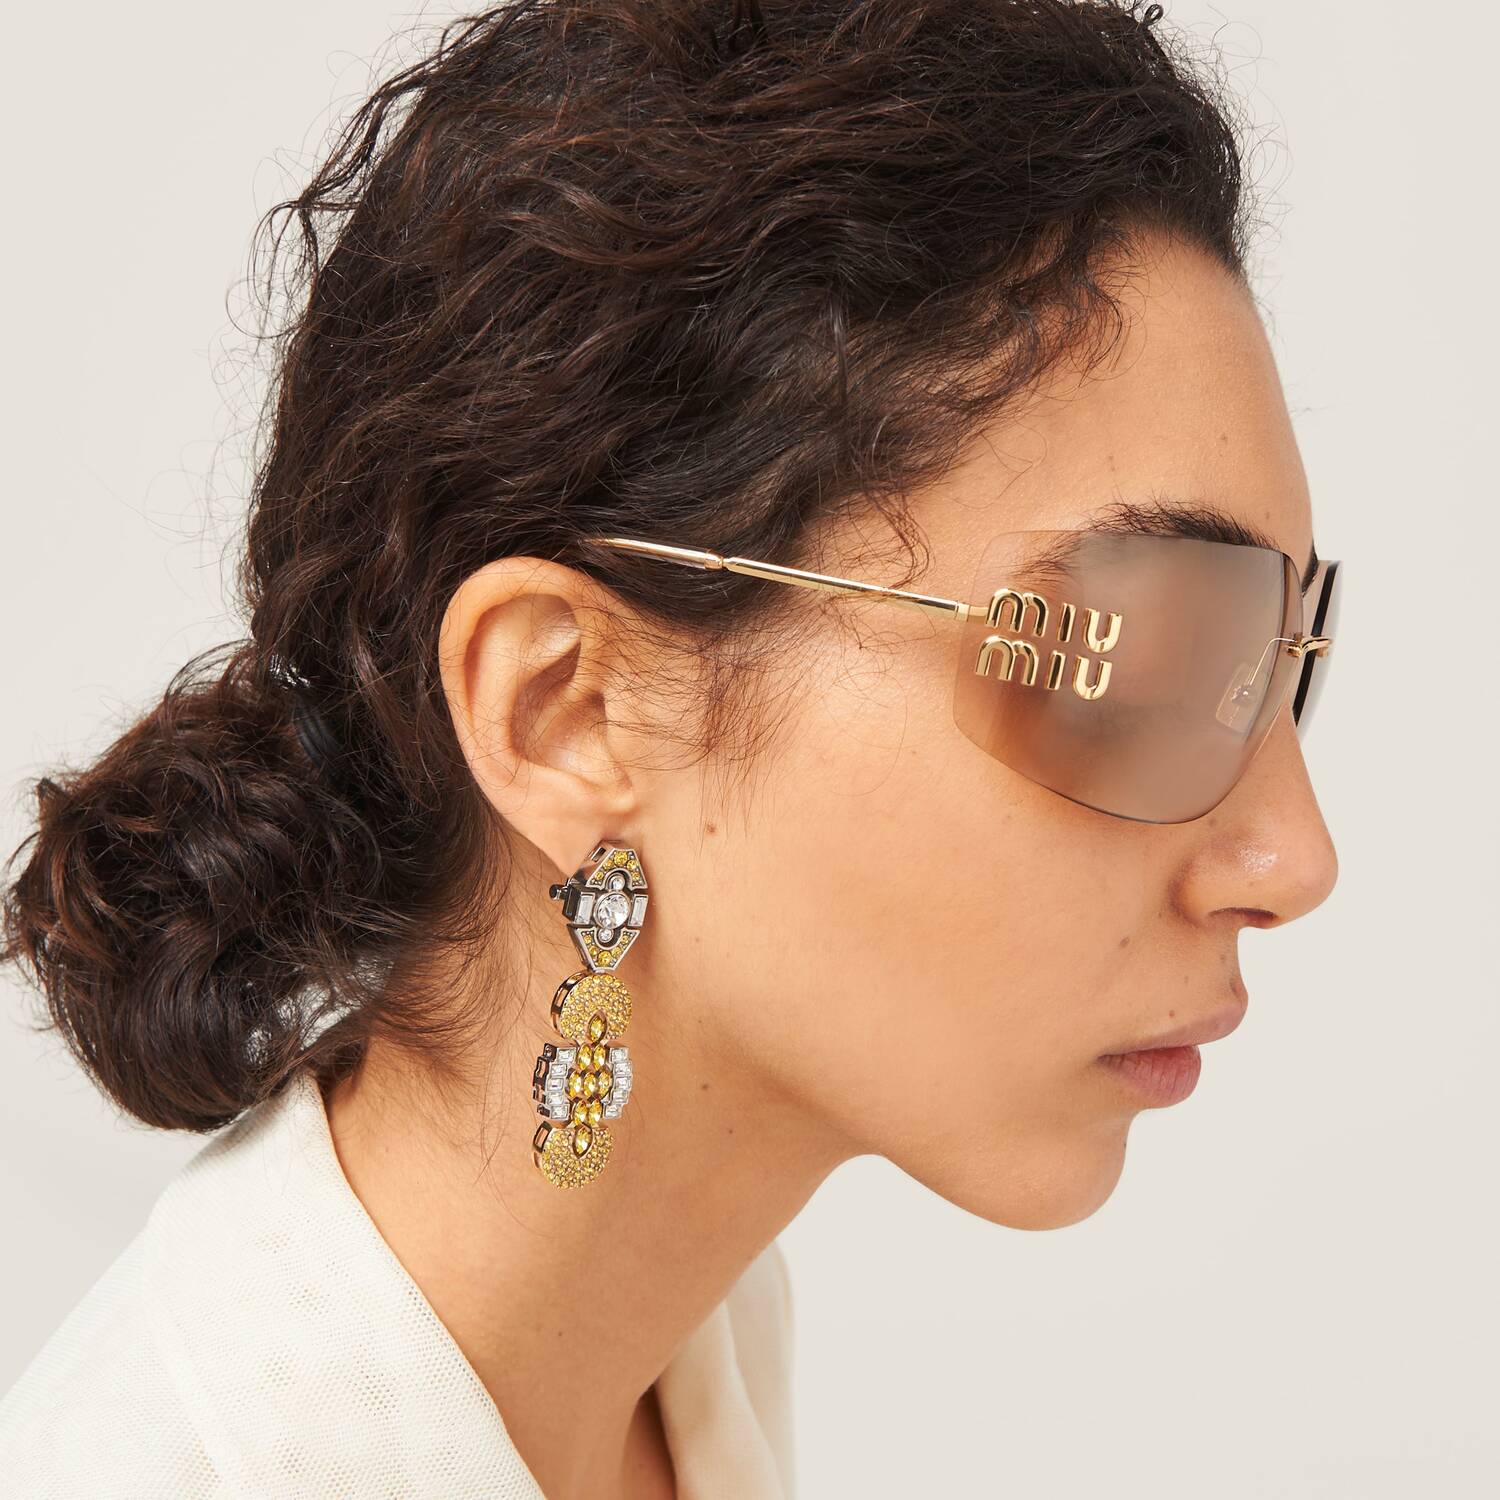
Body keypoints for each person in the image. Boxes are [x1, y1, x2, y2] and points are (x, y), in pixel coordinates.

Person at [0, 2, 1340, 1496]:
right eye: (1143, 658)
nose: (1296, 858)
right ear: (565, 711)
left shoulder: (698, 1349)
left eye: (1277, 663)